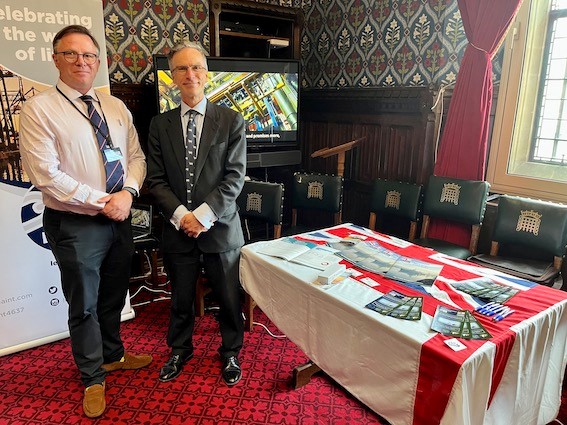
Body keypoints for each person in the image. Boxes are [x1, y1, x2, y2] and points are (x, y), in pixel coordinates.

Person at [19, 25, 151, 419]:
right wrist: (102, 201)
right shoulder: (39, 109)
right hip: (75, 224)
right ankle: (92, 376)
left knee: (114, 295)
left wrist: (127, 194)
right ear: (55, 58)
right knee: (85, 306)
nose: (82, 62)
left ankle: (113, 356)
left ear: (98, 61)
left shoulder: (115, 107)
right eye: (72, 54)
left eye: (89, 55)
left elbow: (136, 158)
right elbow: (46, 175)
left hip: (119, 217)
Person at [146, 41, 246, 386]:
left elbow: (234, 179)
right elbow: (156, 180)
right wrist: (181, 217)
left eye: (197, 67)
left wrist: (202, 216)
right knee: (180, 298)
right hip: (177, 230)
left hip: (220, 229)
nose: (190, 75)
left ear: (206, 73)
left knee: (230, 300)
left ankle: (231, 351)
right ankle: (180, 349)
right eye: (182, 69)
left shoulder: (231, 120)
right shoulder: (160, 125)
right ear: (172, 76)